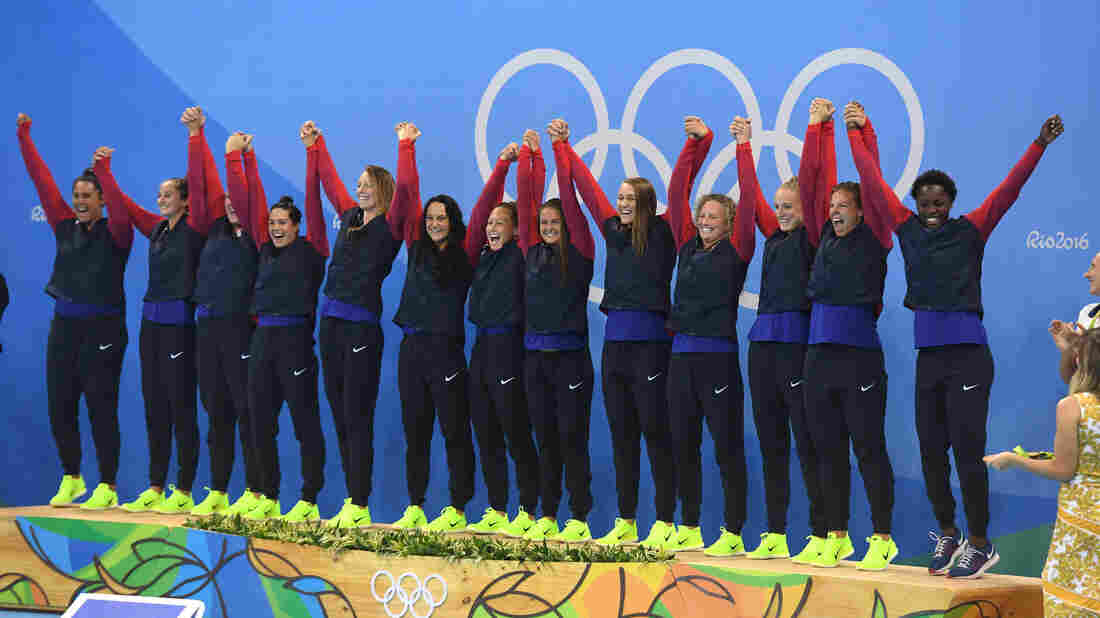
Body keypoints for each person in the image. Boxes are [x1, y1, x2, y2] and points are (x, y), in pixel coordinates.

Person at [854, 107, 1063, 577]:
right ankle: (948, 533)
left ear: (951, 203)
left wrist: (1038, 145)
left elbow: (1008, 191)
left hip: (969, 358)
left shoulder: (972, 230)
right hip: (930, 359)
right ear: (915, 205)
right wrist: (855, 132)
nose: (931, 212)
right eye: (925, 204)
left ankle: (982, 542)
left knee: (967, 452)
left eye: (939, 204)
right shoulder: (904, 228)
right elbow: (871, 180)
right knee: (931, 452)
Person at [98, 107, 213, 514]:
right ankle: (156, 486)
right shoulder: (158, 228)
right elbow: (124, 206)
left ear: (184, 200)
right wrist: (104, 174)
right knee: (154, 406)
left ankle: (183, 489)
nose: (160, 199)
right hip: (150, 325)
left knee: (181, 405)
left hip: (181, 326)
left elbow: (199, 180)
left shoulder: (196, 226)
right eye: (159, 194)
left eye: (168, 194)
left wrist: (195, 135)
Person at [17, 113, 133, 510]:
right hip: (64, 326)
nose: (80, 202)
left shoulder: (118, 232)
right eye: (77, 196)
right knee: (60, 403)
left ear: (101, 200)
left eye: (88, 196)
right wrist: (24, 137)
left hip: (104, 329)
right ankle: (71, 476)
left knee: (101, 405)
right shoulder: (64, 225)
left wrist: (105, 172)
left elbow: (120, 207)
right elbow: (41, 180)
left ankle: (108, 484)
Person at [800, 100, 898, 570]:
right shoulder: (822, 237)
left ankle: (882, 537)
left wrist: (863, 132)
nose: (835, 211)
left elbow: (874, 184)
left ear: (862, 214)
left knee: (868, 447)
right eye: (832, 207)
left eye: (844, 207)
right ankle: (835, 533)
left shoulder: (876, 235)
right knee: (827, 448)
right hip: (817, 357)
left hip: (858, 357)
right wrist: (816, 130)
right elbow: (813, 180)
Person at [741, 100, 835, 562]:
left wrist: (818, 129)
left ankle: (821, 535)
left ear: (808, 210)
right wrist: (743, 148)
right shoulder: (772, 235)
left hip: (797, 347)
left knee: (807, 442)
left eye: (789, 207)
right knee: (771, 443)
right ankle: (775, 532)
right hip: (761, 347)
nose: (780, 213)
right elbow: (751, 194)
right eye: (777, 207)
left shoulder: (813, 236)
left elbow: (816, 182)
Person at [665, 116, 758, 555]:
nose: (704, 220)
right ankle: (688, 525)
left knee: (726, 449)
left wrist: (743, 147)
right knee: (683, 445)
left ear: (729, 223)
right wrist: (694, 144)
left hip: (718, 358)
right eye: (702, 214)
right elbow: (676, 192)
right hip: (680, 360)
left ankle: (733, 532)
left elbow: (753, 204)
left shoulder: (739, 249)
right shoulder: (685, 244)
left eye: (714, 216)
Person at [308, 120, 408, 528]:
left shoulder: (392, 226)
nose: (359, 188)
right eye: (359, 182)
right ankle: (353, 501)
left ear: (382, 190)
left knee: (356, 414)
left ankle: (359, 501)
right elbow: (330, 184)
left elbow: (406, 193)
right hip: (329, 325)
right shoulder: (349, 218)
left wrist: (405, 146)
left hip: (361, 329)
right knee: (337, 412)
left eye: (367, 183)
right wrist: (317, 145)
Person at [386, 122, 479, 533]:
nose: (434, 222)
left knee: (455, 431)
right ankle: (416, 506)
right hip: (412, 351)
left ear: (452, 221)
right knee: (416, 432)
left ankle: (458, 508)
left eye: (442, 218)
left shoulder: (466, 255)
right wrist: (406, 148)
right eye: (430, 217)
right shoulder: (416, 247)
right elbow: (406, 193)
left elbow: (488, 203)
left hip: (447, 353)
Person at [242, 125, 330, 522]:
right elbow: (253, 202)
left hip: (295, 341)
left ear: (297, 227)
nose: (276, 227)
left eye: (284, 222)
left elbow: (313, 200)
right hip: (262, 339)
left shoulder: (312, 252)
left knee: (303, 422)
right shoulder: (263, 249)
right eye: (273, 222)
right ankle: (269, 496)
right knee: (259, 419)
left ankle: (309, 500)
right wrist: (245, 159)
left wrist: (313, 152)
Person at [516, 118, 597, 542]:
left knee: (571, 438)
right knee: (544, 438)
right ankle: (546, 513)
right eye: (543, 223)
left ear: (568, 226)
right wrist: (529, 159)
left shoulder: (581, 252)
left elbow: (570, 198)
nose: (547, 228)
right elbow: (527, 200)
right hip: (534, 360)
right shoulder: (529, 250)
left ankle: (579, 517)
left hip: (570, 361)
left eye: (555, 223)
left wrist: (560, 149)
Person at [985, 329, 1100, 613]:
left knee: (1069, 598)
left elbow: (1063, 469)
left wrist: (1014, 459)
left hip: (1082, 522)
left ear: (1082, 361)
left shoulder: (1073, 407)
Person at [189, 127, 269, 516]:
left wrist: (236, 157)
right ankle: (218, 489)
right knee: (215, 409)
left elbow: (244, 194)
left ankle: (257, 491)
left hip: (240, 330)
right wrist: (196, 136)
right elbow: (203, 183)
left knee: (245, 409)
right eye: (227, 201)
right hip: (207, 330)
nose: (231, 204)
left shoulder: (256, 234)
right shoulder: (211, 228)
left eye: (237, 200)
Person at [464, 134, 541, 537]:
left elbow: (528, 204)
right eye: (490, 225)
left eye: (500, 224)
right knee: (486, 429)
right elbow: (478, 214)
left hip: (510, 348)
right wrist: (500, 166)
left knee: (514, 429)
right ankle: (496, 506)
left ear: (515, 231)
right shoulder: (480, 253)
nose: (492, 228)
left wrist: (528, 158)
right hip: (481, 347)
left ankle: (528, 509)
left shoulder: (522, 252)